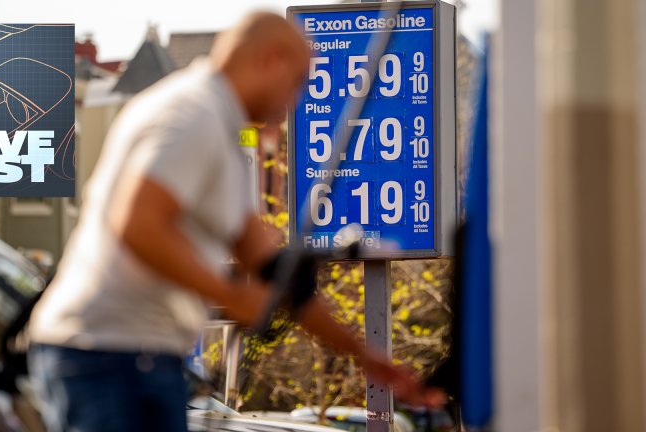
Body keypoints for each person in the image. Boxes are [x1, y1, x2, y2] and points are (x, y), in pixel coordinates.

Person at [28, 11, 442, 432]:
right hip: (105, 353)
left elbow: (277, 273)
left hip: (140, 354)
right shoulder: (192, 113)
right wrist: (229, 293)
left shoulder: (225, 134)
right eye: (297, 81)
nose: (296, 99)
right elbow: (137, 223)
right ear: (269, 59)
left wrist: (365, 357)